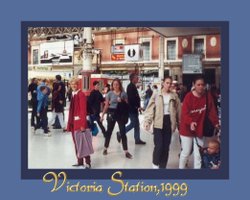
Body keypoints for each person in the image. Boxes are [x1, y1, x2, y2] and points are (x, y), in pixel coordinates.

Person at [179, 76, 220, 169]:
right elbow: (184, 114)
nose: (201, 87)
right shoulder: (188, 97)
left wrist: (216, 123)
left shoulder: (207, 96)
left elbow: (211, 111)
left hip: (199, 129)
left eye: (202, 85)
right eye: (198, 84)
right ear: (194, 85)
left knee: (198, 154)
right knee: (186, 152)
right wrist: (191, 122)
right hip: (186, 129)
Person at [144, 76, 181, 169]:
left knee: (166, 147)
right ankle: (155, 165)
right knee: (159, 145)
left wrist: (179, 123)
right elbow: (150, 109)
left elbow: (178, 111)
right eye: (167, 83)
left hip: (169, 122)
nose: (169, 85)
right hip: (158, 122)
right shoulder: (156, 94)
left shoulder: (174, 96)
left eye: (170, 83)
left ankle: (162, 167)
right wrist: (147, 121)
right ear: (163, 83)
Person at [101, 78, 132, 159]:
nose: (116, 86)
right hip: (111, 113)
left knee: (123, 132)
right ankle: (105, 148)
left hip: (120, 113)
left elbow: (127, 105)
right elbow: (106, 105)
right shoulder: (109, 94)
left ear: (120, 85)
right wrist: (102, 115)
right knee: (109, 132)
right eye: (114, 84)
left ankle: (126, 151)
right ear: (112, 85)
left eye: (117, 84)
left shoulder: (123, 94)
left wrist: (121, 101)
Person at [67, 78, 94, 169]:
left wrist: (83, 124)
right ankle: (79, 161)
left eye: (75, 84)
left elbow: (83, 110)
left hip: (79, 123)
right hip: (73, 122)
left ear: (78, 84)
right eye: (72, 84)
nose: (73, 85)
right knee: (76, 143)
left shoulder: (81, 94)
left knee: (83, 142)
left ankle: (88, 162)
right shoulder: (73, 94)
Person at [117, 73, 146, 145]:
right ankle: (120, 133)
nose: (138, 79)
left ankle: (137, 139)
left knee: (136, 125)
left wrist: (138, 106)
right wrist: (137, 106)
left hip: (134, 109)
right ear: (133, 79)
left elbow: (136, 98)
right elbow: (131, 99)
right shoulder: (130, 87)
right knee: (133, 124)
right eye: (136, 78)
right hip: (131, 109)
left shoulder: (133, 86)